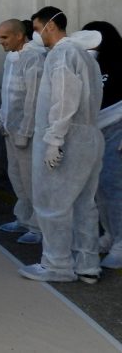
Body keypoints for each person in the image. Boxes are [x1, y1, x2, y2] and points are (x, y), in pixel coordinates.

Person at [18, 7, 104, 284]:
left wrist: (54, 139)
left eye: (35, 27)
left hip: (66, 138)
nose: (35, 33)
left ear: (49, 27)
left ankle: (57, 264)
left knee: (52, 203)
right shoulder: (86, 57)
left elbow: (65, 98)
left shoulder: (61, 54)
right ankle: (87, 263)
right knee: (83, 204)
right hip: (88, 136)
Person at [0, 19, 45, 245]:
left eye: (5, 37)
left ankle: (38, 226)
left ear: (20, 36)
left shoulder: (34, 59)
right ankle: (23, 218)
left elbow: (33, 99)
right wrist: (2, 115)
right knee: (16, 176)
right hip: (10, 129)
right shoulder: (12, 59)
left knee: (31, 180)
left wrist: (25, 130)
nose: (0, 42)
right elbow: (9, 93)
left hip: (27, 132)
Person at [82, 21, 122, 269]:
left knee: (114, 186)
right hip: (95, 130)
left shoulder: (120, 61)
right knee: (99, 189)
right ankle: (109, 234)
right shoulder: (91, 64)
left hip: (117, 127)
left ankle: (121, 243)